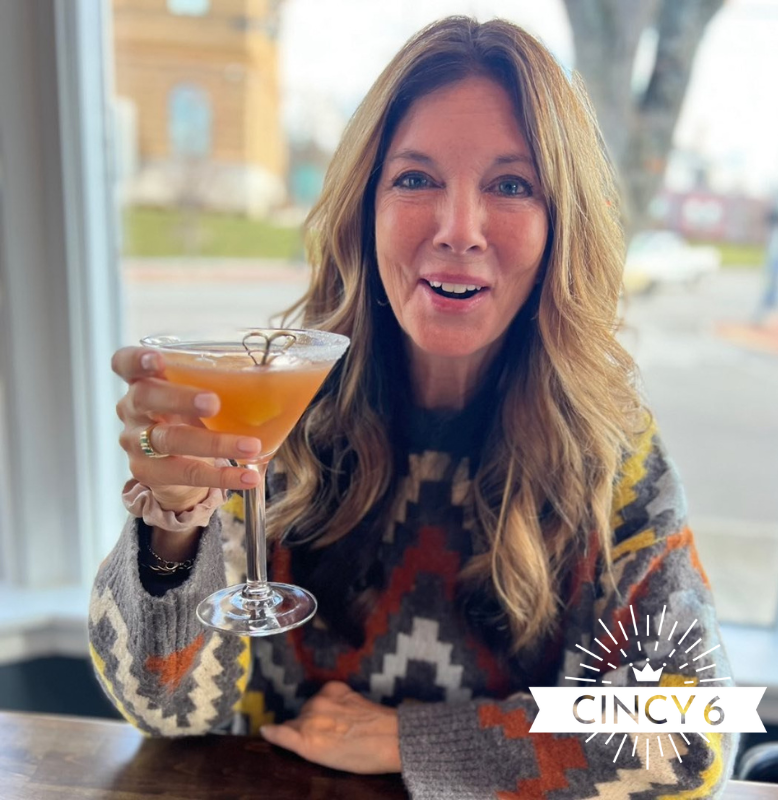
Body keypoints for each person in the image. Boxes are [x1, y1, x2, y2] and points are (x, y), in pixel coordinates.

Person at [91, 16, 737, 798]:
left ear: (561, 226)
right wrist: (171, 528)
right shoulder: (273, 421)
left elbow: (691, 735)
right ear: (365, 207)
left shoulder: (612, 453)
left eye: (510, 185)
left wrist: (410, 739)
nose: (459, 231)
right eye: (415, 179)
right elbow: (163, 709)